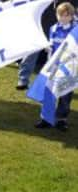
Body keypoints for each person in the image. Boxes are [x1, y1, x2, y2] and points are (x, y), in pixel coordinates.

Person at [34, 1, 77, 131]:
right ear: (57, 15)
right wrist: (48, 48)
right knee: (49, 92)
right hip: (52, 66)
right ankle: (46, 118)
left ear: (71, 16)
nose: (63, 18)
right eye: (60, 15)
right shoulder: (53, 28)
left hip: (69, 67)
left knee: (65, 94)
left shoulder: (75, 30)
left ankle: (61, 120)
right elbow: (52, 44)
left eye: (66, 15)